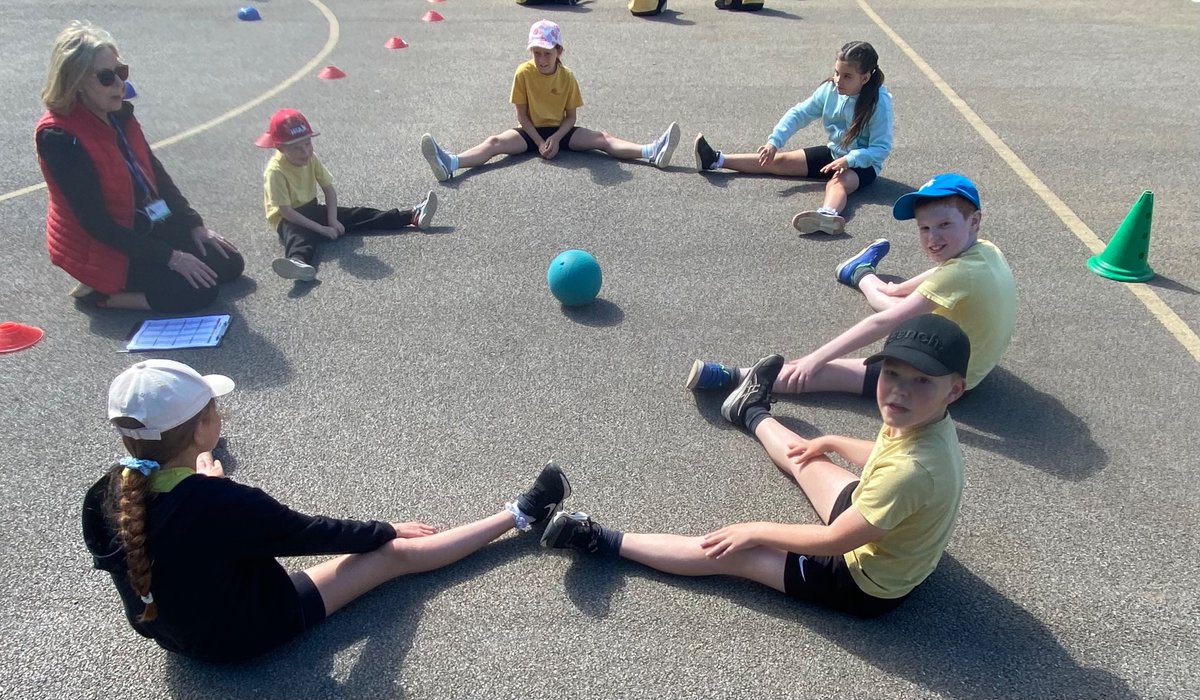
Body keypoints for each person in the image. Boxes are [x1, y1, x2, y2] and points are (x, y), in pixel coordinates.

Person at [82, 359, 571, 662]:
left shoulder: (105, 494)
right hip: (242, 633)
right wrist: (385, 529)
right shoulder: (223, 505)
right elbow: (309, 532)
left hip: (167, 632)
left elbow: (184, 526)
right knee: (393, 555)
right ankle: (522, 514)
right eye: (214, 412)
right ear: (201, 429)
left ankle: (518, 515)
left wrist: (205, 483)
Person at [544, 314, 970, 617]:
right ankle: (750, 410)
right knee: (807, 454)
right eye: (892, 373)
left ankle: (599, 539)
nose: (898, 391)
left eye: (921, 381)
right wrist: (834, 441)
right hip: (886, 521)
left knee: (734, 552)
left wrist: (755, 530)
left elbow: (837, 540)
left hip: (864, 579)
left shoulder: (912, 471)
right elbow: (884, 455)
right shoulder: (922, 421)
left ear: (954, 390)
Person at [687, 173, 1016, 401]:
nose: (932, 238)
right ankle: (860, 273)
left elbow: (883, 323)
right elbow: (941, 275)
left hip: (944, 381)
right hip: (964, 356)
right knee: (891, 299)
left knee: (822, 373)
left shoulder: (960, 274)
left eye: (945, 225)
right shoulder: (983, 249)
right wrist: (897, 290)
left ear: (974, 221)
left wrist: (815, 358)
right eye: (924, 228)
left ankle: (731, 377)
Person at [35, 22, 244, 311]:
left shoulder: (118, 112)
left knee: (229, 263)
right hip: (105, 246)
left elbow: (154, 172)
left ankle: (154, 272)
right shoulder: (59, 138)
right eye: (107, 77)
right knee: (200, 291)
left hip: (144, 221)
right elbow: (97, 225)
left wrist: (193, 225)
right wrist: (172, 257)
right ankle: (103, 296)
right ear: (77, 81)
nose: (120, 84)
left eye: (121, 72)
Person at [419, 20, 680, 182]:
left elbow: (571, 118)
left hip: (561, 131)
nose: (541, 59)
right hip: (530, 131)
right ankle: (451, 163)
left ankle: (651, 151)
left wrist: (555, 139)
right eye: (536, 53)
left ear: (559, 51)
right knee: (494, 143)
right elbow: (521, 116)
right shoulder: (523, 72)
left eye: (546, 53)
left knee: (602, 138)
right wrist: (539, 141)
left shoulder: (567, 77)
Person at [692, 41, 892, 236]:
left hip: (863, 165)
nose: (838, 80)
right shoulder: (830, 89)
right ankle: (715, 159)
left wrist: (850, 160)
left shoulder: (878, 103)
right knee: (777, 160)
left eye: (847, 76)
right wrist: (774, 142)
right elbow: (799, 114)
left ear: (865, 78)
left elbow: (880, 148)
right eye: (837, 72)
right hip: (834, 153)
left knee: (837, 182)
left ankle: (827, 216)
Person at [257, 108, 438, 282]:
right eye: (297, 148)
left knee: (358, 215)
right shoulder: (275, 171)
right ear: (280, 148)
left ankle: (411, 215)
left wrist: (333, 220)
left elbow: (329, 189)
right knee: (299, 235)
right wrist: (322, 229)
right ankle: (298, 262)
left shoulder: (311, 158)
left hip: (311, 207)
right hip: (288, 218)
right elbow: (287, 212)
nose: (305, 151)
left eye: (307, 143)